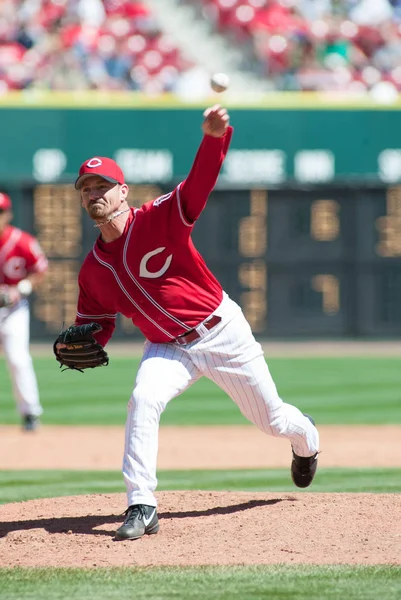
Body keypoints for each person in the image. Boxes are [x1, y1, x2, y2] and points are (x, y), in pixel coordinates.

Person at [55, 104, 319, 541]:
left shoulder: (158, 219)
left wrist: (215, 138)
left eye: (103, 185)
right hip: (167, 347)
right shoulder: (92, 269)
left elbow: (199, 184)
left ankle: (306, 439)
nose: (93, 193)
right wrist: (80, 340)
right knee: (142, 399)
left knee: (272, 421)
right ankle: (142, 505)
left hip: (221, 332)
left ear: (123, 192)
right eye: (86, 188)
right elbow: (96, 323)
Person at [0, 192, 48, 431]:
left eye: (0, 212)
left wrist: (23, 287)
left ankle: (30, 413)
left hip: (13, 311)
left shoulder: (22, 241)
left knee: (18, 359)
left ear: (7, 214)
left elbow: (40, 269)